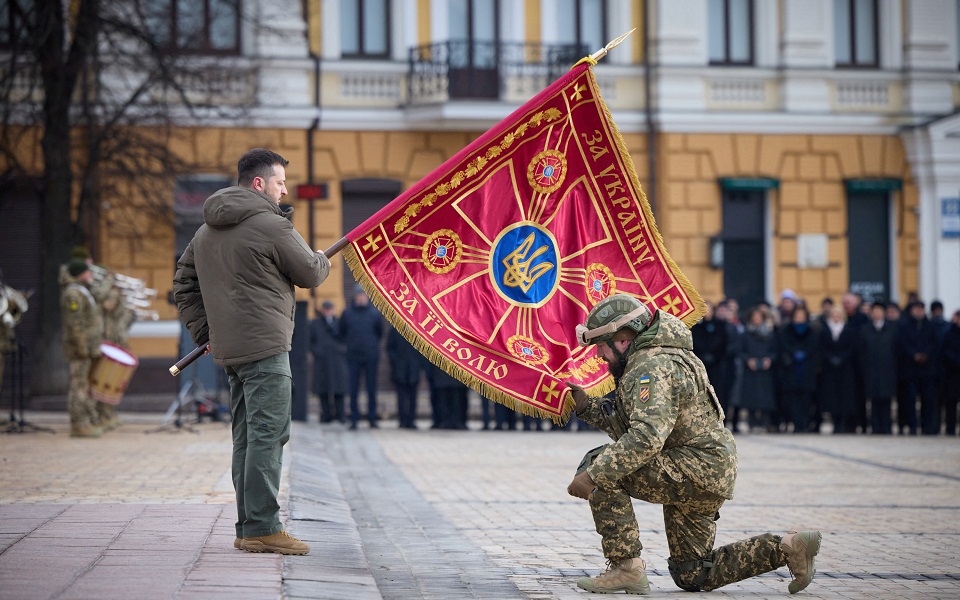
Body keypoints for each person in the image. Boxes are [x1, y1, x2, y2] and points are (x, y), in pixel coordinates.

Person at [565, 294, 821, 594]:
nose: (599, 355)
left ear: (623, 339)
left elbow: (645, 438)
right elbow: (634, 424)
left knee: (600, 464)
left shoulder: (650, 365)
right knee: (693, 573)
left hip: (693, 467)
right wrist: (586, 407)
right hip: (706, 469)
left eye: (602, 346)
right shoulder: (663, 355)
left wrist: (595, 476)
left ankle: (625, 566)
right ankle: (788, 548)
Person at [174, 148, 330, 555]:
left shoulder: (205, 230)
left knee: (246, 436)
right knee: (268, 434)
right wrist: (321, 260)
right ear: (258, 184)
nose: (284, 191)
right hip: (266, 346)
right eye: (279, 183)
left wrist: (206, 333)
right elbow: (311, 272)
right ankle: (262, 526)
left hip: (230, 350)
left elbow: (183, 284)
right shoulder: (270, 224)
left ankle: (249, 526)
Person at [60, 260, 105, 438]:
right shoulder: (73, 293)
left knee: (83, 385)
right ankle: (78, 424)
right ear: (80, 273)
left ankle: (85, 421)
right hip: (81, 350)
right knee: (78, 386)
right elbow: (75, 324)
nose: (91, 274)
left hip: (88, 348)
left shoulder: (83, 290)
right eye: (87, 272)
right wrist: (82, 348)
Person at [339, 286, 384, 429]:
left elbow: (379, 333)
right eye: (359, 295)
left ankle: (372, 418)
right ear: (355, 296)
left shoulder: (374, 314)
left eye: (364, 295)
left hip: (370, 356)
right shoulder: (347, 314)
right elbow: (342, 332)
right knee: (353, 389)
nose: (361, 297)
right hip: (353, 356)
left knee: (371, 388)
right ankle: (354, 418)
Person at [896, 301, 940, 435]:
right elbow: (903, 344)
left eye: (921, 308)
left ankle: (927, 426)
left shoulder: (931, 325)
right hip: (910, 369)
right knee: (910, 400)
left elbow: (934, 343)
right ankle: (912, 426)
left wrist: (925, 355)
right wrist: (914, 355)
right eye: (917, 309)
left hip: (927, 369)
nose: (919, 311)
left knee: (928, 399)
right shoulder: (904, 326)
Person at [778, 305, 820, 433]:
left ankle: (805, 423)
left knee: (807, 398)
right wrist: (793, 354)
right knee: (792, 398)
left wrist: (804, 354)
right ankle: (796, 423)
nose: (799, 318)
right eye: (797, 316)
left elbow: (815, 348)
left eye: (802, 316)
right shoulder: (786, 330)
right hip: (791, 368)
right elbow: (784, 347)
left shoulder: (812, 331)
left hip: (807, 368)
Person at [858, 302, 898, 434]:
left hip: (888, 370)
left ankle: (887, 427)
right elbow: (861, 352)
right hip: (871, 370)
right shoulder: (865, 329)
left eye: (879, 311)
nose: (877, 314)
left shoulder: (892, 329)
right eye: (874, 311)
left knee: (886, 400)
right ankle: (875, 427)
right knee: (873, 400)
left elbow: (896, 350)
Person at [818, 306, 859, 433]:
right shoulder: (825, 331)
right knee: (831, 397)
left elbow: (852, 348)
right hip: (829, 369)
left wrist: (841, 358)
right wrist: (831, 358)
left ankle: (843, 423)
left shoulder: (848, 330)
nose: (836, 317)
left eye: (838, 314)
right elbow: (822, 348)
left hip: (845, 368)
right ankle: (835, 422)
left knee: (844, 397)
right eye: (834, 314)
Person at [737, 307, 778, 432]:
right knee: (751, 397)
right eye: (754, 317)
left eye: (759, 317)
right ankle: (752, 422)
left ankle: (764, 422)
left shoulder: (769, 334)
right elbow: (740, 351)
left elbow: (775, 351)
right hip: (751, 370)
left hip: (766, 371)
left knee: (765, 397)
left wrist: (769, 359)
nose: (756, 320)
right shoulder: (745, 334)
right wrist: (748, 359)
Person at [309, 300, 348, 424]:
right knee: (323, 390)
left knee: (339, 389)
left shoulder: (338, 323)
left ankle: (340, 415)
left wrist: (342, 350)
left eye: (330, 308)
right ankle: (326, 415)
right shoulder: (316, 324)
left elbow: (345, 337)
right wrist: (317, 352)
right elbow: (310, 341)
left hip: (337, 361)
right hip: (322, 362)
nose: (328, 311)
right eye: (326, 309)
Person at [386, 326, 422, 429]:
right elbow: (390, 347)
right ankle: (402, 420)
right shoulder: (395, 329)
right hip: (400, 368)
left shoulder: (418, 329)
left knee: (413, 396)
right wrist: (395, 362)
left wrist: (419, 365)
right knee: (401, 397)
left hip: (413, 368)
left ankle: (411, 419)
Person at [940, 310, 960, 436]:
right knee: (951, 403)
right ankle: (950, 428)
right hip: (952, 374)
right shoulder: (948, 332)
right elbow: (945, 351)